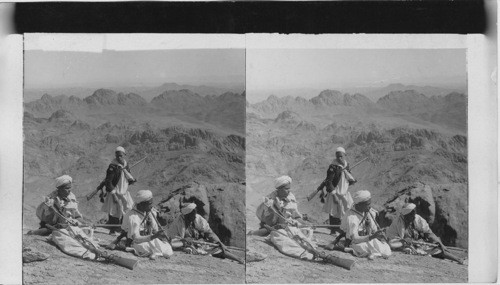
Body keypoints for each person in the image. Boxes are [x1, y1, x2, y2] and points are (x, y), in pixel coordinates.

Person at [387, 203, 465, 264]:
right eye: (411, 213)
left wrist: (441, 244)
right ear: (406, 215)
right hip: (403, 245)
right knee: (404, 249)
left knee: (438, 249)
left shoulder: (418, 219)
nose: (414, 215)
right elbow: (391, 240)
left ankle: (457, 259)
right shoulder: (397, 223)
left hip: (419, 243)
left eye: (414, 212)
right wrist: (404, 240)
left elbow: (429, 233)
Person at [121, 190, 173, 259]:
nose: (152, 206)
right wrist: (154, 236)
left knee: (167, 248)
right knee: (144, 247)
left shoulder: (149, 212)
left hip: (148, 238)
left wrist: (160, 235)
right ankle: (157, 253)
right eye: (150, 203)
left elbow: (155, 230)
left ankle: (157, 253)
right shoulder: (133, 217)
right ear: (142, 204)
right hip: (136, 242)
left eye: (152, 203)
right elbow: (136, 239)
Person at [340, 190, 391, 259]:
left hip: (368, 239)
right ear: (359, 204)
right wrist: (372, 237)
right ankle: (375, 254)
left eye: (370, 203)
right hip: (355, 242)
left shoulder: (369, 211)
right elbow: (354, 239)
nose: (369, 206)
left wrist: (378, 235)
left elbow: (374, 230)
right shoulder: (352, 218)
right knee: (363, 247)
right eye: (367, 204)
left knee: (386, 249)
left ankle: (375, 254)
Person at [317, 147, 355, 234]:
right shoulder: (333, 167)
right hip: (335, 193)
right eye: (338, 156)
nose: (339, 158)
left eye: (341, 156)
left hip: (344, 193)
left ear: (345, 155)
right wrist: (334, 195)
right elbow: (329, 182)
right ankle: (333, 231)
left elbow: (347, 177)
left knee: (346, 211)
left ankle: (343, 230)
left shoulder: (346, 165)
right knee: (334, 212)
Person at [101, 146, 136, 234]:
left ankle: (122, 229)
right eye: (117, 156)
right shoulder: (112, 166)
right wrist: (113, 195)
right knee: (114, 211)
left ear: (124, 155)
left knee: (127, 210)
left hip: (124, 192)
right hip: (115, 191)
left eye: (121, 155)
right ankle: (112, 230)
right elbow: (108, 182)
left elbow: (126, 176)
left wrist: (131, 180)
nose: (119, 157)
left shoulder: (125, 164)